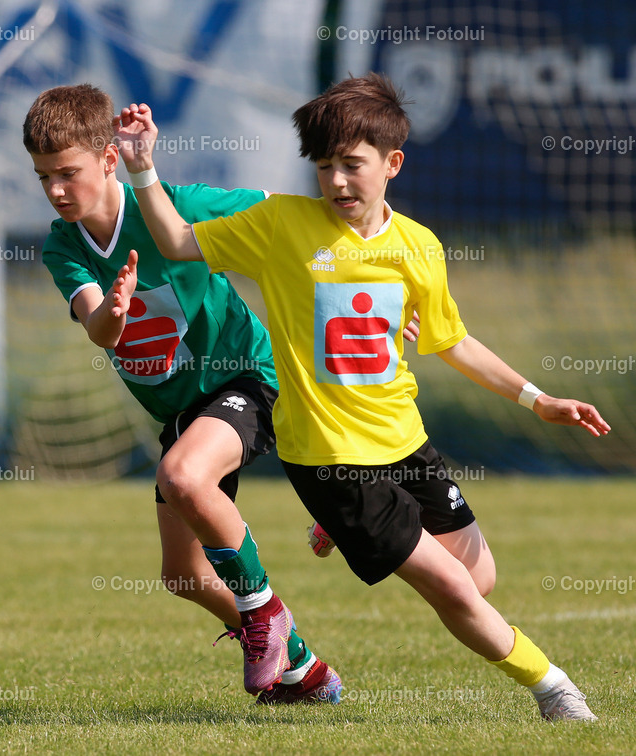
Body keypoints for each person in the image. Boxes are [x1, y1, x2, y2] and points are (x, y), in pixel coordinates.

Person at [116, 73, 610, 721]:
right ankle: (555, 691)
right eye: (325, 168)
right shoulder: (282, 226)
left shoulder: (418, 248)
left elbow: (451, 341)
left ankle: (340, 530)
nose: (338, 182)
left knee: (480, 579)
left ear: (392, 164)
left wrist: (538, 399)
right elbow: (178, 241)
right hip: (331, 461)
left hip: (404, 441)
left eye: (352, 165)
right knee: (456, 591)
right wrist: (144, 169)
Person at [22, 83, 344, 703]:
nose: (57, 190)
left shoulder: (180, 207)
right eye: (43, 178)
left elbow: (287, 219)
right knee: (184, 576)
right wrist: (113, 313)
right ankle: (302, 669)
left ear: (110, 158)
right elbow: (98, 327)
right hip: (182, 411)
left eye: (69, 173)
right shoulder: (63, 246)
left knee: (183, 476)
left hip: (245, 378)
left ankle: (265, 611)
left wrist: (378, 266)